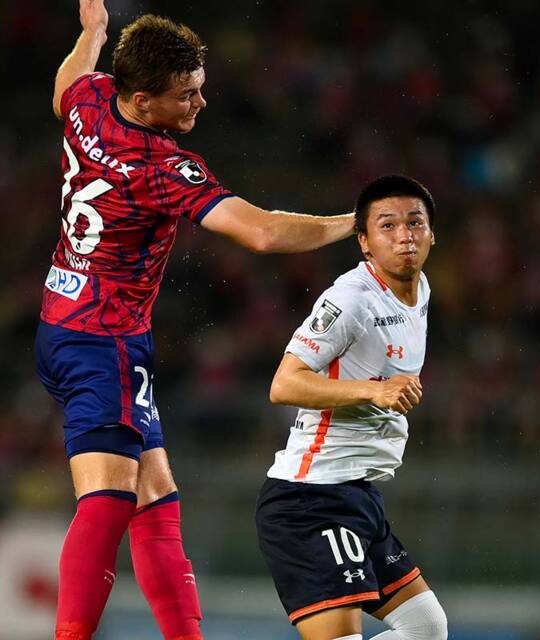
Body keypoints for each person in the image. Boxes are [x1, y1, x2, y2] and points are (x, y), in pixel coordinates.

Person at [35, 2, 355, 639]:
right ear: (144, 100)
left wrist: (92, 32)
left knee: (156, 495)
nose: (200, 104)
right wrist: (358, 223)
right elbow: (263, 233)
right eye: (186, 95)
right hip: (104, 339)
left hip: (64, 321)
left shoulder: (92, 100)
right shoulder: (163, 167)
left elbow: (63, 86)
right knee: (109, 498)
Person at [255, 175, 448, 640]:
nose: (404, 236)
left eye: (415, 223)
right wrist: (372, 391)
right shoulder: (351, 300)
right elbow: (284, 383)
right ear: (364, 241)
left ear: (432, 233)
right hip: (310, 499)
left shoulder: (420, 289)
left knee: (425, 628)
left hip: (357, 494)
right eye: (387, 225)